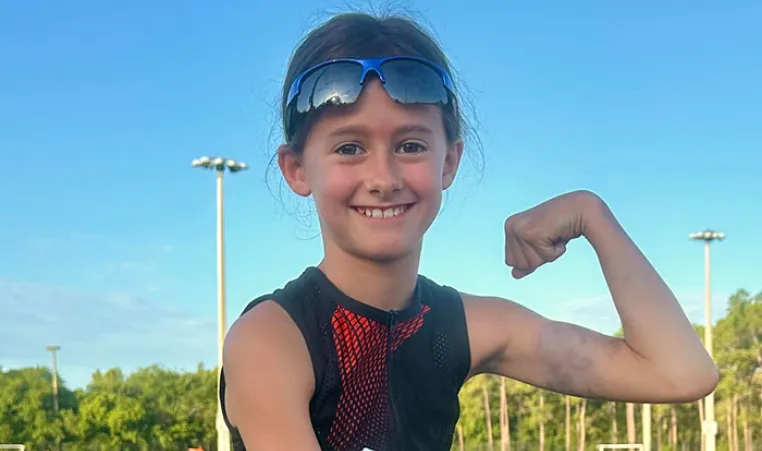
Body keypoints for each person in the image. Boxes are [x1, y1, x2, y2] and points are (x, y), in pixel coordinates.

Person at [219, 11, 719, 451]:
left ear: (449, 161)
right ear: (297, 170)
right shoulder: (272, 340)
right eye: (349, 148)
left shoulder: (461, 326)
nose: (383, 178)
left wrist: (594, 216)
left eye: (411, 145)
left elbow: (681, 372)